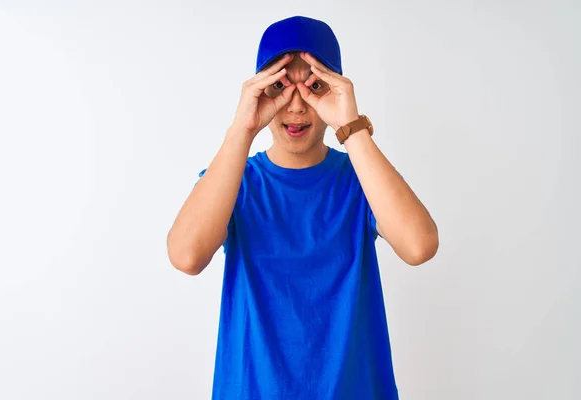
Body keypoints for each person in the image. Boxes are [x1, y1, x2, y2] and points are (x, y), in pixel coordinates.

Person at [167, 15, 439, 400]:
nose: (296, 105)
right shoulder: (239, 182)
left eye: (313, 86)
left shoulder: (361, 179)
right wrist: (241, 129)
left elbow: (420, 246)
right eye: (279, 85)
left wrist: (351, 125)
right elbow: (185, 255)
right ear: (259, 90)